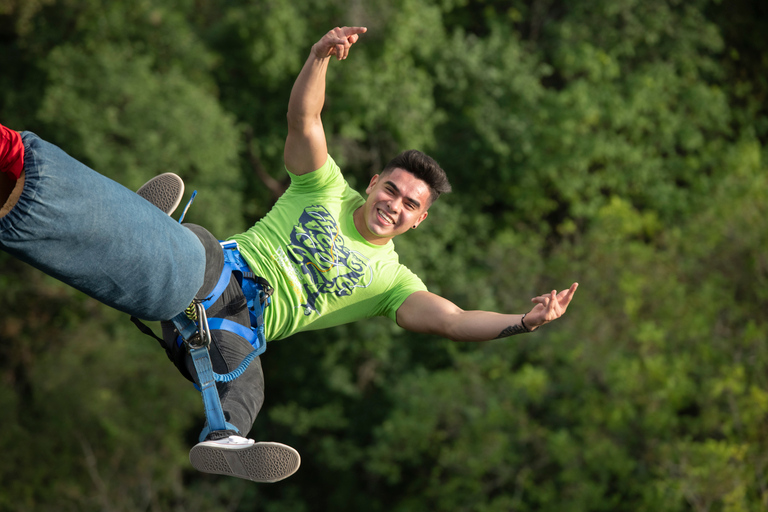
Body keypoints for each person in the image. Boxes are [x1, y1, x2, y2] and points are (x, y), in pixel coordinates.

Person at [0, 26, 578, 483]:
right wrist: (319, 56)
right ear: (373, 181)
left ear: (419, 219)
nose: (393, 205)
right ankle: (146, 225)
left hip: (238, 331)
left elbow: (452, 322)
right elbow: (305, 118)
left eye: (409, 205)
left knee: (248, 392)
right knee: (188, 254)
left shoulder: (393, 283)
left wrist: (522, 323)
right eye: (391, 190)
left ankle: (223, 441)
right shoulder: (323, 186)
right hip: (221, 271)